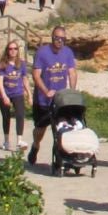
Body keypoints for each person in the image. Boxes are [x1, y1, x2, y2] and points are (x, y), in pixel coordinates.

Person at [27, 27, 80, 171]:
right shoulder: (42, 53)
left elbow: (72, 72)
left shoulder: (67, 53)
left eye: (63, 39)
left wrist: (72, 91)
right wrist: (45, 91)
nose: (60, 41)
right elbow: (36, 75)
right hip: (43, 100)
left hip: (60, 100)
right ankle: (35, 146)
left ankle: (61, 158)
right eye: (57, 38)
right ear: (52, 38)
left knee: (61, 130)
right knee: (40, 129)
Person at [0, 38, 30, 152]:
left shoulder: (21, 64)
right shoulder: (3, 64)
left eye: (15, 48)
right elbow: (0, 82)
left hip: (17, 93)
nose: (13, 51)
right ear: (7, 50)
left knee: (20, 114)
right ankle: (6, 140)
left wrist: (29, 94)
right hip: (5, 93)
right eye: (10, 49)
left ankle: (19, 140)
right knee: (6, 117)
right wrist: (4, 96)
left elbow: (25, 79)